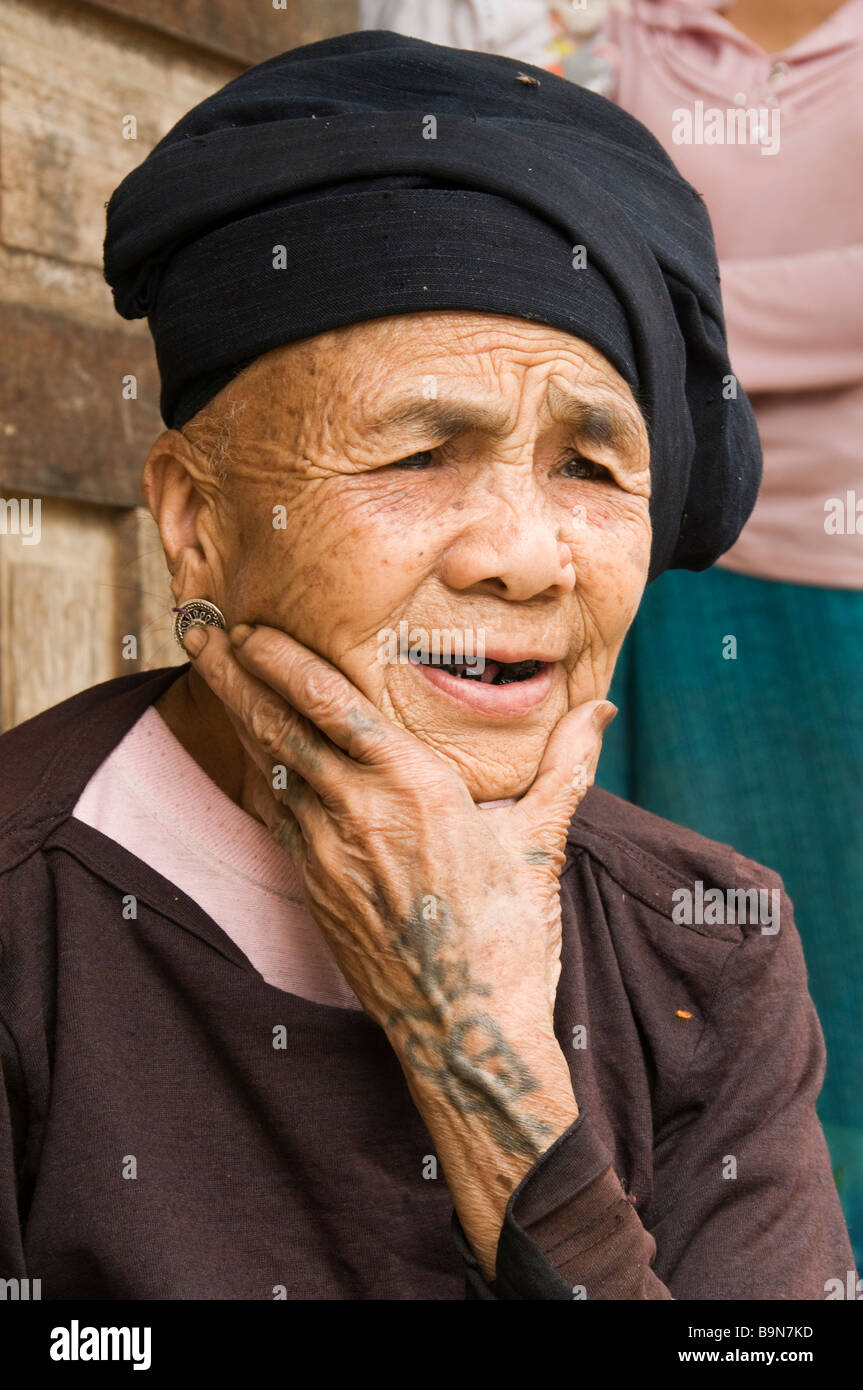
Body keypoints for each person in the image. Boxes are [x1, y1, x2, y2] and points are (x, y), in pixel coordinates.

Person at [0, 31, 853, 1299]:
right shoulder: (25, 921)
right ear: (197, 521)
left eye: (590, 467)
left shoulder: (702, 945)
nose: (523, 556)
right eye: (416, 455)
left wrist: (494, 1089)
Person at [360, 0, 863, 1272]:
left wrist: (646, 295)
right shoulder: (607, 37)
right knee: (646, 963)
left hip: (837, 583)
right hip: (650, 566)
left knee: (827, 982)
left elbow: (572, 277)